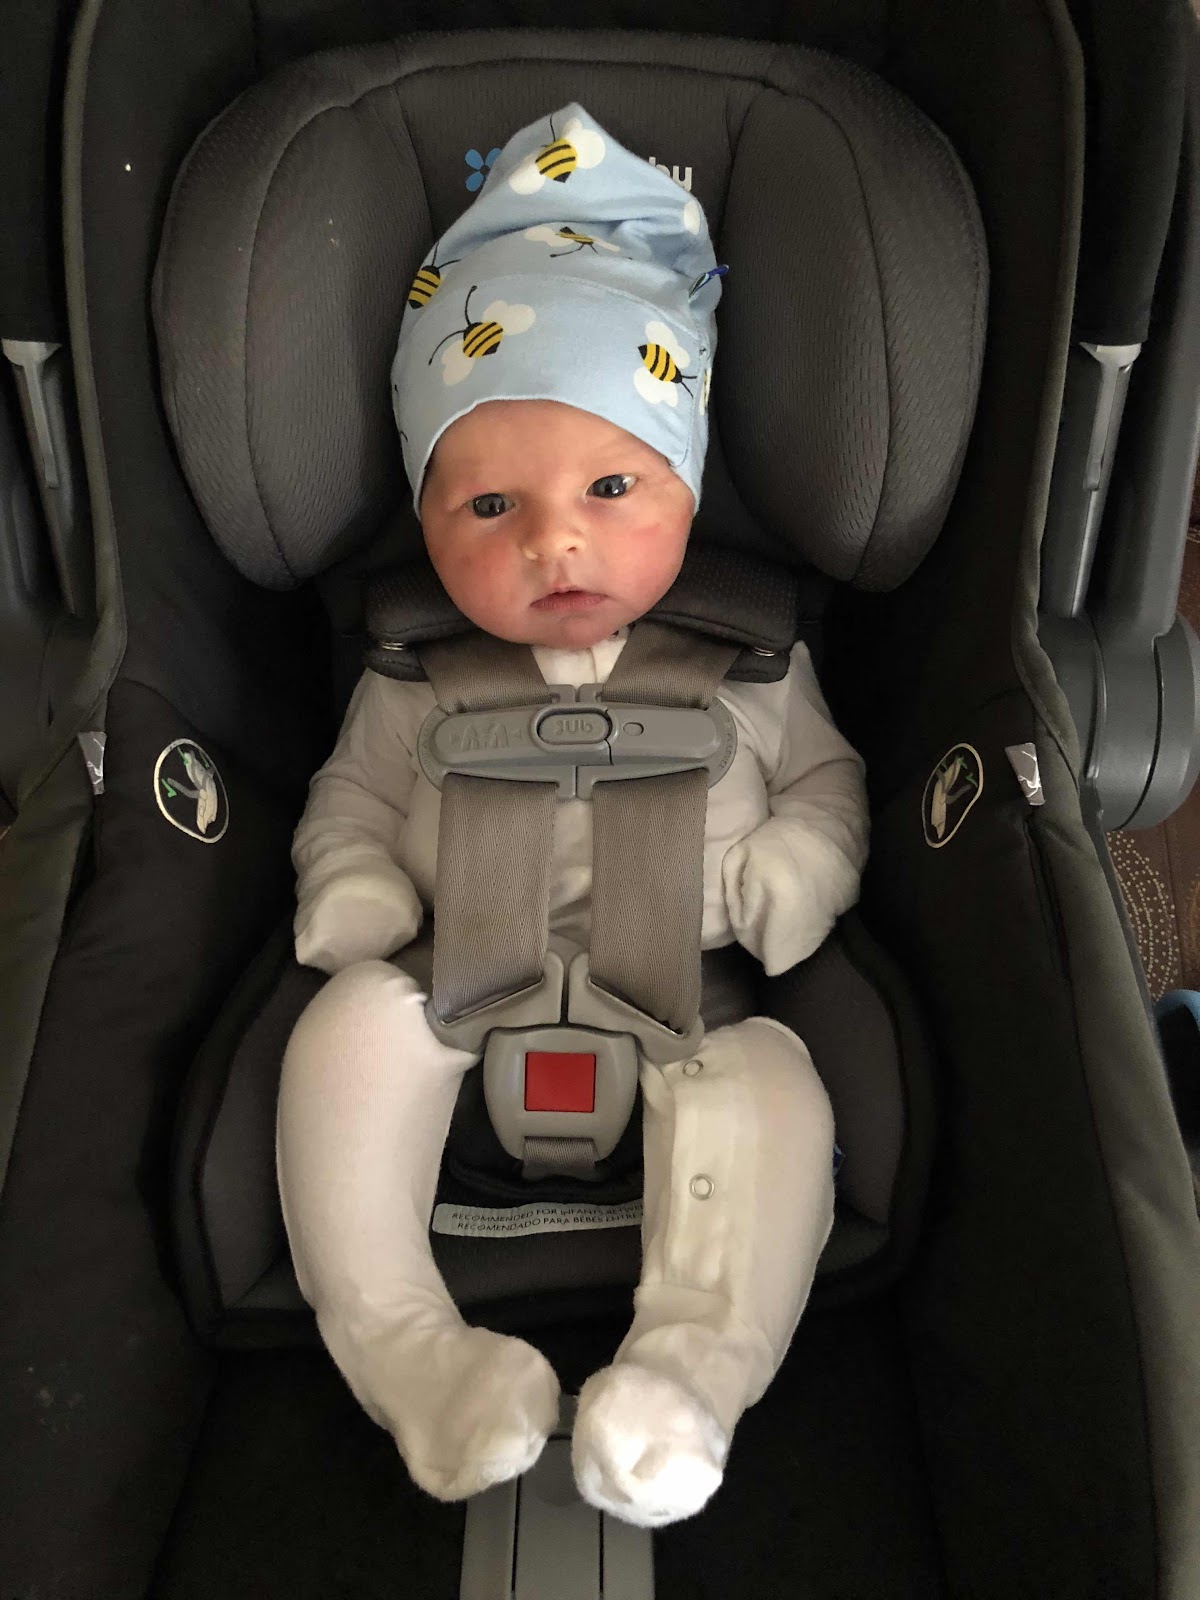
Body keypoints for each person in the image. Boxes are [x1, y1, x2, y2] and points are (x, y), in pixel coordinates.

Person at [276, 104, 868, 1529]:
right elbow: (352, 795)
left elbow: (828, 785)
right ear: (424, 523)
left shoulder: (750, 663)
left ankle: (688, 1380)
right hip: (451, 984)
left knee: (777, 1088)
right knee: (346, 1029)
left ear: (687, 485)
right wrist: (352, 876)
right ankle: (408, 1355)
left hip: (697, 1001)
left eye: (611, 486)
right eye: (489, 504)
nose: (554, 537)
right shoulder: (412, 675)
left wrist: (801, 860)